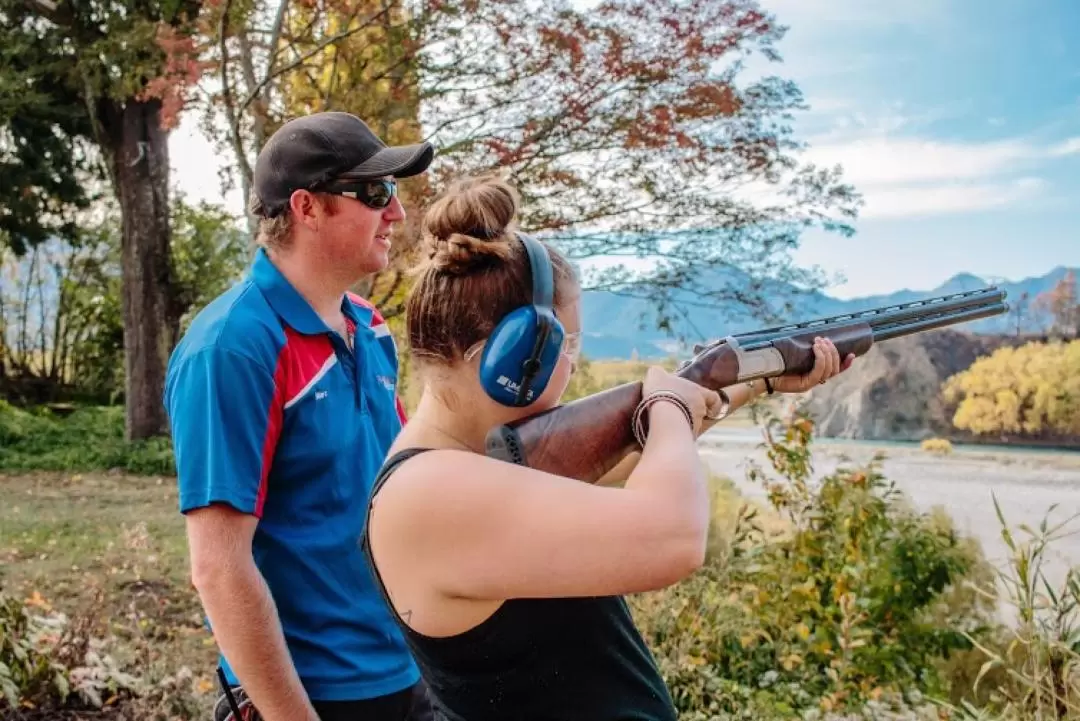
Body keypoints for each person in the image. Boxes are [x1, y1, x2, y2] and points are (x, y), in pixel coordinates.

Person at [359, 173, 855, 720]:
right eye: (565, 345)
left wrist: (756, 382)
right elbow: (672, 535)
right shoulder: (429, 492)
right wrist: (667, 406)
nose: (571, 365)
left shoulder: (477, 462)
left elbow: (632, 461)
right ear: (517, 358)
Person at [163, 111, 437, 721]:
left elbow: (400, 488)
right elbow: (218, 567)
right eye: (374, 193)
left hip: (407, 673)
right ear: (307, 207)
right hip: (312, 698)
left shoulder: (369, 328)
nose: (395, 213)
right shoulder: (233, 347)